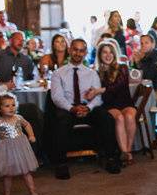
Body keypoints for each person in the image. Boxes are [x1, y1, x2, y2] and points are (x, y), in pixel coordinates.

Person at [49, 39, 121, 179]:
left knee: (106, 118)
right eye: (75, 49)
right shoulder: (58, 73)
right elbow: (57, 97)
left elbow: (98, 98)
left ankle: (111, 158)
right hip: (68, 108)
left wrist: (88, 108)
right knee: (60, 120)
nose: (78, 53)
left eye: (81, 50)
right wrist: (72, 109)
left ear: (85, 53)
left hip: (87, 107)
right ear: (70, 50)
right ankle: (61, 164)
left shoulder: (91, 73)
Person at [96, 41, 137, 166]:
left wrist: (101, 89)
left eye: (111, 52)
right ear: (100, 55)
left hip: (125, 103)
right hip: (110, 105)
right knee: (119, 118)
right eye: (105, 52)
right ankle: (124, 152)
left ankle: (128, 151)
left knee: (129, 116)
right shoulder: (97, 72)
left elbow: (117, 86)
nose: (108, 55)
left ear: (114, 54)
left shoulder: (123, 67)